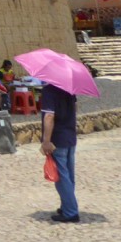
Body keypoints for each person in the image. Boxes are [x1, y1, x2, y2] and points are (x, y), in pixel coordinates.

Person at [40, 82, 80, 223]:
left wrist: (46, 141)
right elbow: (75, 107)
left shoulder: (49, 91)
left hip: (57, 139)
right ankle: (67, 205)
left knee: (61, 177)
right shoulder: (69, 88)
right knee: (68, 175)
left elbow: (49, 116)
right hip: (70, 136)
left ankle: (70, 212)